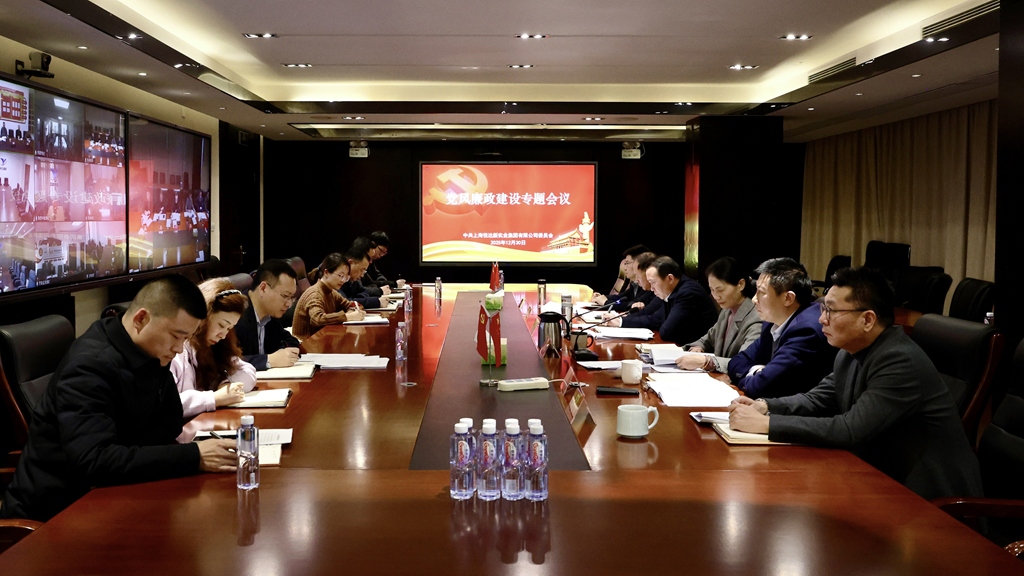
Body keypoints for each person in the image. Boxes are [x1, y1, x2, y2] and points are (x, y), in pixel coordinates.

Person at [727, 267, 984, 501]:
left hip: (929, 500)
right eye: (823, 309)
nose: (822, 319)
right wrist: (765, 406)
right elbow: (818, 399)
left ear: (868, 320)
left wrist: (767, 424)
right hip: (879, 480)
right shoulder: (850, 351)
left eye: (831, 311)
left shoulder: (899, 360)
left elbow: (850, 429)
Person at [0, 275, 236, 522]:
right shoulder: (90, 366)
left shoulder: (151, 350)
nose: (179, 349)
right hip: (59, 511)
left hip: (115, 491)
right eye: (176, 336)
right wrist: (193, 456)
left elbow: (172, 418)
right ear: (141, 319)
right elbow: (94, 461)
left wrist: (127, 453)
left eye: (186, 339)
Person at [727, 257, 837, 399]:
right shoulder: (772, 323)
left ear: (788, 298)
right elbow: (736, 361)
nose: (754, 299)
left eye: (762, 292)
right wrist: (757, 371)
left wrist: (754, 376)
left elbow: (761, 387)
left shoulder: (806, 331)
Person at [170, 278, 257, 418]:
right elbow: (166, 405)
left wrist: (227, 385)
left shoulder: (216, 345)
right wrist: (214, 398)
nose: (223, 335)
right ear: (203, 316)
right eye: (221, 325)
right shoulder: (176, 350)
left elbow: (247, 370)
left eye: (229, 328)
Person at [605, 256, 717, 344]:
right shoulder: (672, 290)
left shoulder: (688, 293)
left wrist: (659, 322)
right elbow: (654, 319)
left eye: (653, 282)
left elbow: (666, 332)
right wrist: (620, 321)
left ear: (670, 278)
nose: (651, 288)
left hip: (696, 351)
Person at [678, 257, 763, 373]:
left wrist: (708, 362)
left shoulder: (756, 317)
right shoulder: (727, 310)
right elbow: (707, 339)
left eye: (720, 290)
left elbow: (744, 362)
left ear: (741, 284)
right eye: (712, 290)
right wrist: (698, 348)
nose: (716, 296)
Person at [234, 259, 301, 371]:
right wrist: (269, 360)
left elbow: (291, 341)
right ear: (263, 288)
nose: (289, 304)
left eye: (291, 298)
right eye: (285, 296)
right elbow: (225, 362)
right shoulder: (236, 316)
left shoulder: (270, 315)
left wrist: (282, 353)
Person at [292, 252, 365, 339]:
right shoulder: (315, 294)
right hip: (306, 343)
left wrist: (352, 311)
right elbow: (317, 319)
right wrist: (346, 317)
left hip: (322, 339)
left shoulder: (332, 293)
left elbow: (353, 305)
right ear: (326, 272)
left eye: (346, 277)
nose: (343, 280)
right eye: (341, 275)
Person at [608, 252, 664, 330]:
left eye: (638, 275)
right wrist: (623, 317)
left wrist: (621, 320)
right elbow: (645, 312)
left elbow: (653, 319)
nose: (637, 280)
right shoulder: (650, 290)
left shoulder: (662, 292)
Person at [340, 243, 388, 309]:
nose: (362, 275)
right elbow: (343, 302)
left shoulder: (353, 279)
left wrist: (357, 299)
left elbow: (364, 292)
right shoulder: (338, 277)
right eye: (361, 270)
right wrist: (376, 302)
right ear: (350, 263)